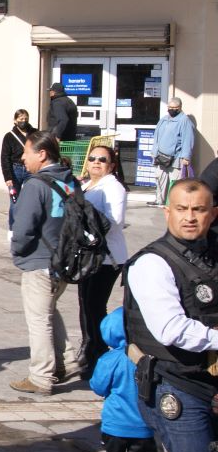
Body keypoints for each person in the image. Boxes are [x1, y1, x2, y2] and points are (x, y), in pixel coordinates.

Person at [102, 179, 218, 452]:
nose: (189, 217)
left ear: (213, 214)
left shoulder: (210, 255)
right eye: (181, 209)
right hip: (173, 385)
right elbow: (171, 329)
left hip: (206, 382)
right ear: (167, 211)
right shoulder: (152, 263)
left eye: (198, 210)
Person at [9, 131, 86, 395]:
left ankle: (41, 376)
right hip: (64, 260)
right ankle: (67, 361)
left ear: (42, 155)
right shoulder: (70, 182)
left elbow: (23, 229)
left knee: (39, 319)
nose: (22, 157)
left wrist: (18, 251)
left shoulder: (35, 185)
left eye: (27, 151)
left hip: (40, 261)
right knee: (49, 311)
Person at [90, 308, 157, 452]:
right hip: (145, 425)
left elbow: (98, 386)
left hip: (115, 424)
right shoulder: (151, 358)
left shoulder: (110, 359)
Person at [78, 145, 128, 377]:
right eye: (92, 158)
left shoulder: (114, 188)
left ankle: (99, 354)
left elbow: (113, 222)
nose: (96, 162)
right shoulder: (87, 185)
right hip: (88, 255)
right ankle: (89, 349)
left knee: (94, 306)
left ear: (112, 166)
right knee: (85, 306)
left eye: (102, 159)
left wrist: (83, 211)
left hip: (107, 258)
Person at [153, 97, 195, 206]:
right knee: (160, 178)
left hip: (176, 157)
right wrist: (154, 152)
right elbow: (157, 137)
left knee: (174, 182)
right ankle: (159, 200)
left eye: (174, 108)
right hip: (160, 156)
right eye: (169, 107)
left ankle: (173, 203)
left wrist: (186, 157)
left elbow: (188, 140)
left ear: (179, 108)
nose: (171, 109)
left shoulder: (184, 121)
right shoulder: (164, 119)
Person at [0, 109, 37, 229]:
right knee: (14, 201)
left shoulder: (35, 134)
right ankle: (13, 228)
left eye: (26, 119)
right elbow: (4, 158)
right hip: (15, 170)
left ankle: (29, 226)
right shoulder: (9, 136)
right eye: (21, 119)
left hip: (31, 170)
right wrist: (8, 177)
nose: (23, 121)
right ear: (15, 120)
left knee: (31, 199)